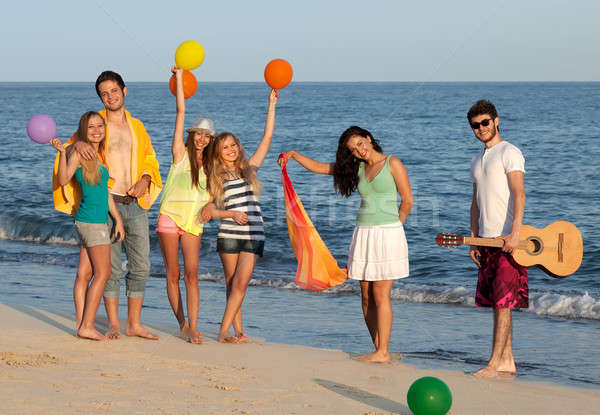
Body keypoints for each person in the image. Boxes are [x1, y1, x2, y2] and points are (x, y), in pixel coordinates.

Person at [279, 126, 413, 363]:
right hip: (363, 234)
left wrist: (396, 226)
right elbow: (320, 168)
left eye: (360, 144)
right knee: (365, 296)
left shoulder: (393, 163)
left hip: (388, 234)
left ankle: (382, 352)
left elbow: (407, 201)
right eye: (353, 149)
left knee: (381, 295)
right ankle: (379, 347)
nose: (359, 151)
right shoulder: (357, 168)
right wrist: (294, 155)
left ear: (369, 139)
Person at [52, 71, 162, 340]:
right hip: (105, 206)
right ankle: (113, 324)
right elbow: (71, 150)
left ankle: (133, 323)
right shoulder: (96, 124)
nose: (110, 96)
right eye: (104, 93)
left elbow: (150, 156)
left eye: (114, 90)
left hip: (135, 204)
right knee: (108, 270)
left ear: (125, 91)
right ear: (100, 97)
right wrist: (76, 142)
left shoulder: (137, 126)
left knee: (141, 265)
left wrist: (146, 178)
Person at [200, 89, 278, 343]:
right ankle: (235, 331)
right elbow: (209, 212)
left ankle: (223, 331)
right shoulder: (216, 177)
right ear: (218, 153)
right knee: (232, 283)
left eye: (233, 145)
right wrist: (230, 213)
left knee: (241, 284)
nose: (231, 150)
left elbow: (267, 138)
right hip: (229, 235)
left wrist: (271, 104)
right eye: (225, 147)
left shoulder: (249, 169)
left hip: (254, 234)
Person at [51, 111, 125, 341]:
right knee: (104, 272)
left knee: (85, 273)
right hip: (91, 221)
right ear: (83, 130)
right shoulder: (78, 151)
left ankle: (83, 323)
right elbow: (63, 179)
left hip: (96, 220)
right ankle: (87, 325)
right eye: (91, 127)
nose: (96, 130)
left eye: (99, 126)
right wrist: (64, 152)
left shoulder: (98, 156)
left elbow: (105, 193)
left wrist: (118, 219)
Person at [467, 99, 528, 378]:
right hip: (487, 241)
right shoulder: (477, 159)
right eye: (475, 125)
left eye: (485, 122)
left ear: (496, 121)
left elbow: (519, 193)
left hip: (508, 241)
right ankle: (507, 361)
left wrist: (515, 233)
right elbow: (475, 202)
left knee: (504, 303)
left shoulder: (509, 152)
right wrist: (473, 237)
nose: (481, 128)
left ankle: (493, 363)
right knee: (497, 303)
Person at [156, 67, 213, 344]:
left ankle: (194, 324)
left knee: (192, 275)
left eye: (206, 136)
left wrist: (211, 207)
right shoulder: (180, 154)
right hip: (169, 218)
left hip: (194, 223)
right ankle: (182, 325)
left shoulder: (213, 165)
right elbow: (180, 112)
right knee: (174, 273)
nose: (201, 138)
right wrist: (179, 78)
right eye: (198, 134)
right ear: (191, 136)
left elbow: (214, 195)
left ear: (210, 140)